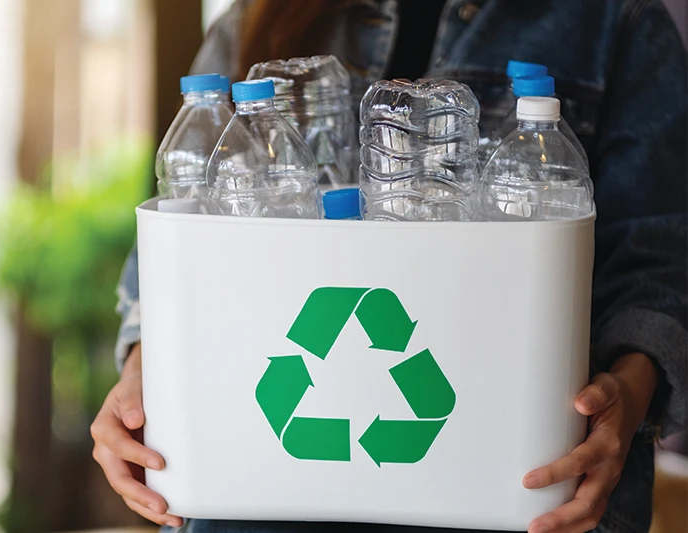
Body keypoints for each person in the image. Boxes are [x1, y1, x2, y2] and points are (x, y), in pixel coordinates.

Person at [90, 1, 688, 532]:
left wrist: (627, 399)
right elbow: (179, 254)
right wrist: (145, 378)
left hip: (512, 482)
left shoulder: (615, 19)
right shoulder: (255, 18)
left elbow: (656, 265)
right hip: (255, 501)